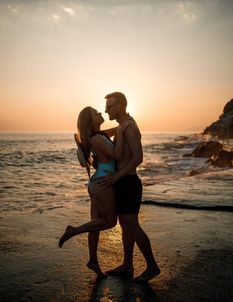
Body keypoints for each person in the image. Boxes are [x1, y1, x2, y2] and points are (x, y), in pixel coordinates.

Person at [58, 106, 130, 278]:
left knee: (96, 224)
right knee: (110, 222)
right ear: (91, 121)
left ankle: (93, 262)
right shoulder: (97, 138)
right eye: (96, 113)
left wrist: (124, 124)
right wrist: (123, 131)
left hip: (95, 182)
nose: (100, 113)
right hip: (103, 182)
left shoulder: (97, 135)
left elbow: (116, 129)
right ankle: (73, 231)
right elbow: (117, 154)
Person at [98, 92, 160, 282]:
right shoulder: (122, 126)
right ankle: (127, 265)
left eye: (109, 107)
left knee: (132, 225)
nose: (106, 110)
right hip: (122, 183)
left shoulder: (130, 128)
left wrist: (116, 176)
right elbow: (109, 134)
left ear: (119, 107)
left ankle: (152, 266)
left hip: (129, 183)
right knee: (125, 225)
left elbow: (138, 158)